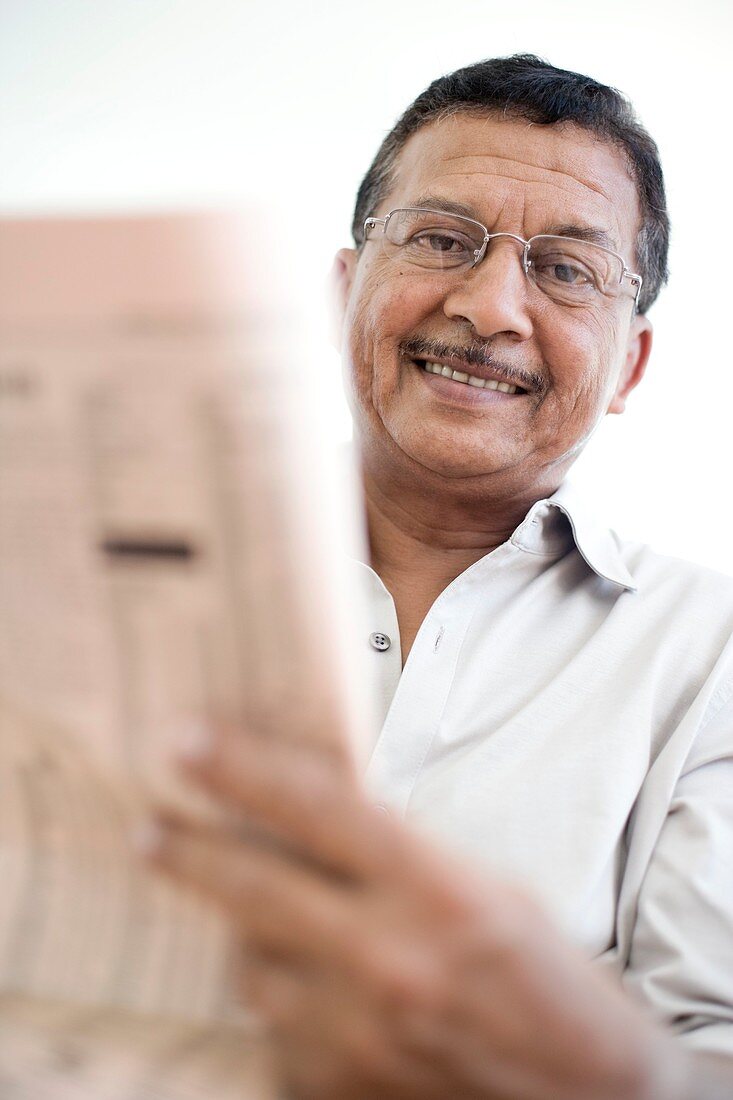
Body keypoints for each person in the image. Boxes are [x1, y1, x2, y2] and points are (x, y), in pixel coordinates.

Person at [139, 56, 733, 1098]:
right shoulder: (117, 565)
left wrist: (566, 1045)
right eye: (442, 240)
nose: (490, 304)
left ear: (630, 364)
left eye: (564, 269)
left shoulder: (710, 651)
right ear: (342, 289)